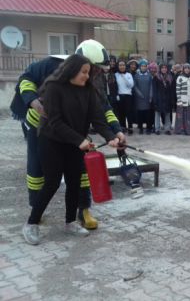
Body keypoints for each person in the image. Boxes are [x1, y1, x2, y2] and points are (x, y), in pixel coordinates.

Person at [9, 39, 125, 230]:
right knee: (40, 172)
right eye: (91, 70)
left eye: (96, 72)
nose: (94, 75)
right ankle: (34, 215)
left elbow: (101, 111)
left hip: (73, 135)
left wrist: (115, 132)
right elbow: (26, 80)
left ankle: (82, 210)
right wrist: (33, 101)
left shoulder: (90, 83)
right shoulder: (50, 68)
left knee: (78, 174)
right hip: (44, 129)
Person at [174, 63, 190, 135]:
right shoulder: (180, 77)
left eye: (188, 68)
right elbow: (178, 90)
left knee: (189, 116)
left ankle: (189, 130)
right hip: (182, 101)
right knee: (181, 116)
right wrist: (179, 100)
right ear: (183, 69)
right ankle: (180, 130)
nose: (187, 70)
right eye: (185, 68)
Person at [153, 64, 175, 135]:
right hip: (159, 98)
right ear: (160, 69)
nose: (164, 69)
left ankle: (167, 129)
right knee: (157, 114)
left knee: (167, 114)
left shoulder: (171, 77)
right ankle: (157, 129)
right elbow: (154, 90)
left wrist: (172, 100)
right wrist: (155, 100)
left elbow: (172, 90)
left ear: (167, 69)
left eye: (165, 68)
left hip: (168, 98)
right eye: (162, 68)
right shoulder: (156, 77)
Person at [133, 59, 154, 134]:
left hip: (147, 98)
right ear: (140, 67)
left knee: (148, 113)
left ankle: (148, 128)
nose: (143, 67)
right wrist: (139, 94)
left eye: (145, 66)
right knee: (140, 114)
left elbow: (151, 86)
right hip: (139, 98)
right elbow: (134, 86)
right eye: (142, 66)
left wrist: (151, 95)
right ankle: (141, 128)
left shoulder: (149, 76)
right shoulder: (136, 75)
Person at [116, 60, 135, 134]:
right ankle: (123, 127)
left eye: (123, 65)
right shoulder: (116, 74)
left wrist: (124, 76)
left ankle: (130, 127)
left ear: (125, 66)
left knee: (129, 112)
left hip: (128, 95)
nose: (122, 66)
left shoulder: (128, 75)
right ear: (118, 66)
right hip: (120, 95)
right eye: (120, 65)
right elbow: (115, 86)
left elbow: (131, 85)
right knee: (121, 113)